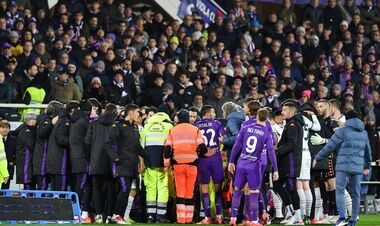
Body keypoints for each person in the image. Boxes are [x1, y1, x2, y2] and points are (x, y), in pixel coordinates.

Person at [313, 110, 372, 226]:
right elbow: (368, 151)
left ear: (347, 119)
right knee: (355, 194)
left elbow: (329, 147)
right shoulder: (364, 132)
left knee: (339, 191)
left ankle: (342, 218)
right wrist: (367, 165)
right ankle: (353, 220)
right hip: (357, 167)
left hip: (343, 167)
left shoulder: (342, 131)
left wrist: (317, 158)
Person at [228, 108, 279, 226]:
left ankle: (233, 219)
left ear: (256, 117)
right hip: (254, 165)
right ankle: (254, 221)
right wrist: (275, 169)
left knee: (237, 191)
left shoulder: (245, 128)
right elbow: (271, 152)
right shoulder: (266, 132)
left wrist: (231, 162)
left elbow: (236, 146)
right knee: (254, 192)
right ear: (266, 119)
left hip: (241, 163)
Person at [106, 104, 149, 224]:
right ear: (130, 113)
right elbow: (108, 143)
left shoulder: (134, 127)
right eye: (137, 112)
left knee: (126, 189)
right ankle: (116, 215)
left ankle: (119, 215)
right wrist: (115, 157)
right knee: (125, 189)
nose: (139, 115)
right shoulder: (118, 125)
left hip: (132, 164)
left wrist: (147, 157)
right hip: (121, 164)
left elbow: (136, 146)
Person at [164, 109, 208, 224]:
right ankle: (189, 219)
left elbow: (167, 149)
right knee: (190, 192)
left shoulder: (173, 130)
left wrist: (166, 164)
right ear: (188, 118)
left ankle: (181, 219)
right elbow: (202, 147)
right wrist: (207, 153)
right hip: (192, 165)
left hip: (178, 165)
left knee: (180, 192)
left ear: (178, 118)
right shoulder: (195, 129)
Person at [85, 103, 118, 223]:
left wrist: (90, 157)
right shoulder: (115, 125)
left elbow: (87, 143)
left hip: (96, 159)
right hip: (112, 161)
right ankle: (109, 216)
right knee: (111, 188)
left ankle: (98, 215)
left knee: (96, 187)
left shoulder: (93, 124)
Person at [194, 105, 226, 224]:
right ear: (207, 114)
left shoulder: (196, 126)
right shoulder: (217, 123)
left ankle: (207, 218)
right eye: (213, 112)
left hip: (203, 160)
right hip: (216, 159)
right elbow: (224, 138)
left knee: (205, 190)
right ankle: (219, 217)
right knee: (218, 191)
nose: (214, 114)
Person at [273, 100, 304, 225]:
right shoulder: (290, 123)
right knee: (277, 185)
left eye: (285, 110)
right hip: (286, 160)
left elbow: (291, 144)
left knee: (291, 187)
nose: (282, 112)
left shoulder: (293, 124)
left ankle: (297, 216)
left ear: (291, 111)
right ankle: (291, 213)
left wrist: (277, 152)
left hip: (290, 161)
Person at [140, 112, 173, 223]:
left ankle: (150, 215)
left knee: (150, 188)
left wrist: (142, 162)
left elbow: (142, 144)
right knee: (163, 188)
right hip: (162, 162)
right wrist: (168, 163)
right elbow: (170, 146)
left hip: (149, 161)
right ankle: (160, 215)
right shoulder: (169, 126)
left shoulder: (147, 125)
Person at [33, 101, 63, 190]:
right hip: (42, 159)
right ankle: (39, 204)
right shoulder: (44, 120)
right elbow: (41, 134)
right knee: (42, 188)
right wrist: (51, 123)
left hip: (48, 160)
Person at [15, 112, 38, 190]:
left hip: (26, 160)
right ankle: (28, 200)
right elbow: (31, 145)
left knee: (29, 182)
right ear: (31, 120)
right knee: (28, 181)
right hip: (25, 160)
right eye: (36, 119)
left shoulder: (25, 129)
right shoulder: (26, 131)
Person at [0, 120, 16, 189]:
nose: (5, 129)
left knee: (5, 190)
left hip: (9, 169)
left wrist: (13, 162)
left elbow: (18, 153)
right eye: (3, 127)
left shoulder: (14, 140)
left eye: (7, 128)